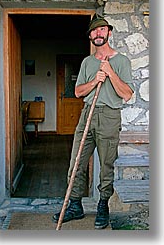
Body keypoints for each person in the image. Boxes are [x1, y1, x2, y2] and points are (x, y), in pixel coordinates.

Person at [53, 13, 135, 229]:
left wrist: (110, 73)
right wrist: (95, 80)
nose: (98, 33)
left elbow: (127, 94)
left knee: (106, 165)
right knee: (76, 162)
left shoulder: (121, 61)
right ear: (90, 35)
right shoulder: (87, 62)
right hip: (87, 114)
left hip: (109, 115)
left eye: (102, 29)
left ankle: (103, 205)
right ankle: (75, 205)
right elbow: (78, 92)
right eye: (94, 30)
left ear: (108, 32)